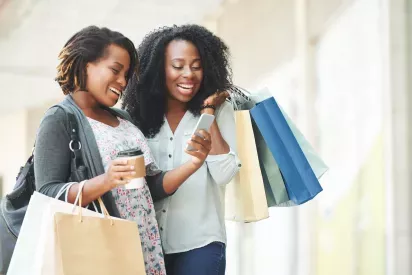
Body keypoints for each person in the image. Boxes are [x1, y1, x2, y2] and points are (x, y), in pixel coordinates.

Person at [34, 26, 212, 275]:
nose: (122, 82)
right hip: (100, 251)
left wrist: (192, 164)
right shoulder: (60, 119)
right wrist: (105, 181)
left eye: (126, 75)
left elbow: (151, 187)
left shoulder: (124, 119)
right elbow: (46, 193)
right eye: (115, 70)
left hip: (143, 249)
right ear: (85, 64)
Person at [123, 24, 240, 275]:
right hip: (147, 244)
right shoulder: (138, 116)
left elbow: (225, 175)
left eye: (196, 66)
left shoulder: (221, 110)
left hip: (201, 244)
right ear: (159, 70)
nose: (188, 74)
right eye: (177, 66)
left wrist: (208, 111)